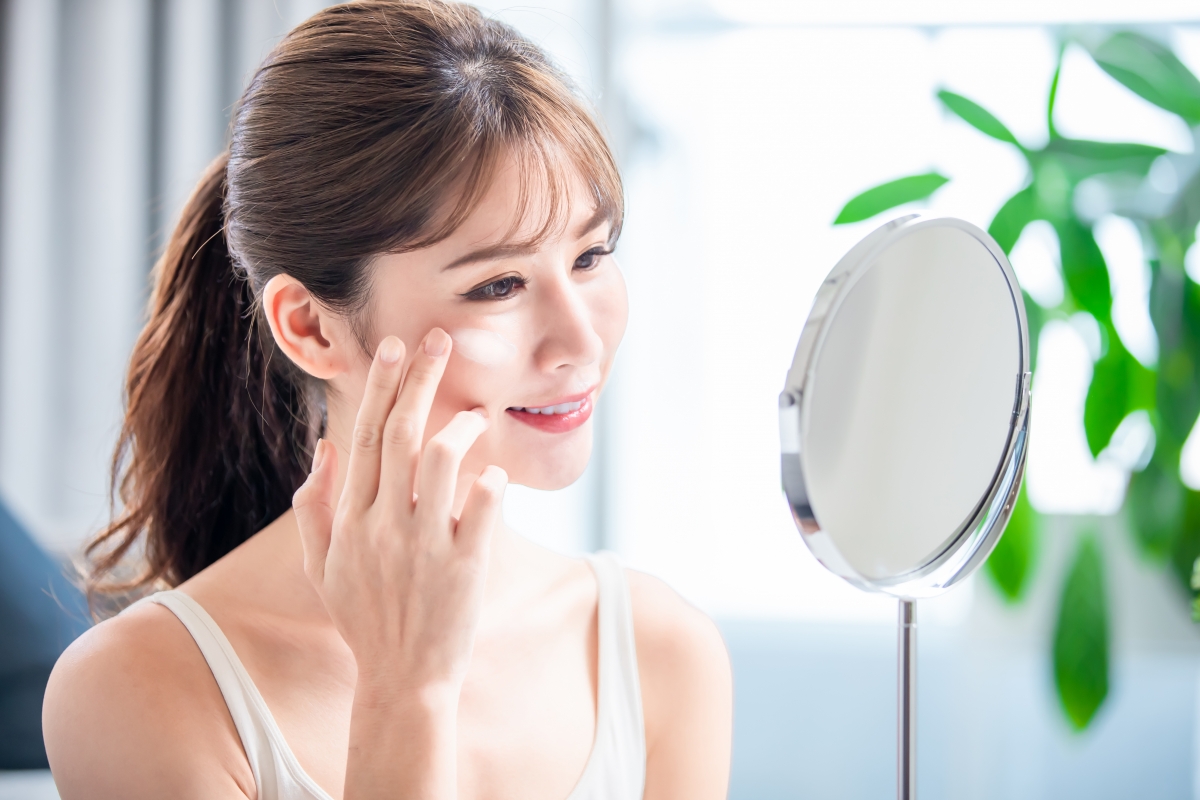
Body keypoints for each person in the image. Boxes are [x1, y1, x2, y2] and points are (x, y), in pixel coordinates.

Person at [41, 2, 733, 798]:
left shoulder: (658, 652)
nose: (579, 342)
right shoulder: (142, 689)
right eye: (497, 285)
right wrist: (405, 691)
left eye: (590, 256)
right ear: (311, 328)